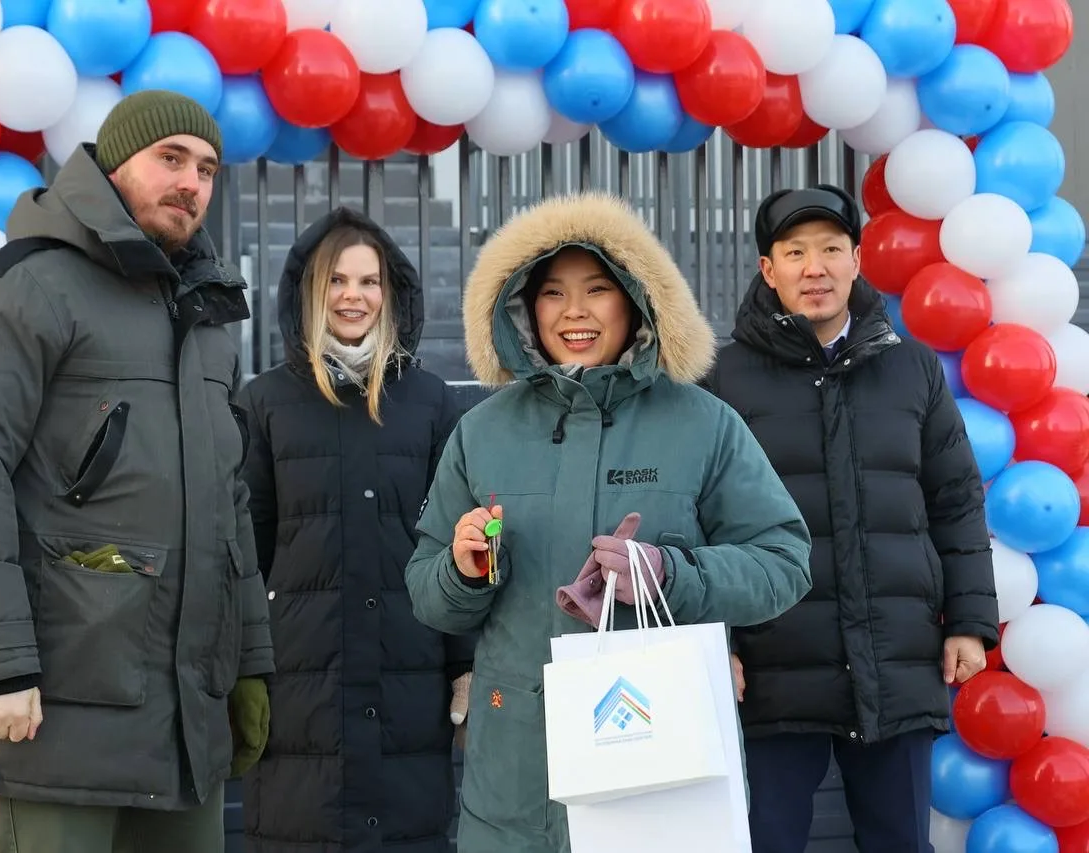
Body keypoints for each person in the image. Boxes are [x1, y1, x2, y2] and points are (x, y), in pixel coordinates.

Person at [0, 90, 274, 853]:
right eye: (170, 158)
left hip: (184, 723)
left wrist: (248, 661)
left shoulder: (207, 316)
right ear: (114, 164)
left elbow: (229, 504)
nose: (190, 183)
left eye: (206, 169)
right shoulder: (21, 285)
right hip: (58, 712)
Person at [403, 192, 814, 853]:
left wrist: (671, 573)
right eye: (553, 293)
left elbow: (784, 563)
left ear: (637, 300)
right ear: (524, 308)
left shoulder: (703, 423)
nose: (575, 311)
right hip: (516, 778)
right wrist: (461, 569)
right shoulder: (481, 431)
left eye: (597, 289)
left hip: (661, 765)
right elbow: (428, 595)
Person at [702, 184, 998, 853]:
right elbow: (697, 518)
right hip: (771, 669)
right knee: (764, 841)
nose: (816, 268)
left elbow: (954, 500)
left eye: (832, 249)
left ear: (857, 261)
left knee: (900, 841)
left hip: (895, 659)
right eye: (795, 252)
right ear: (768, 269)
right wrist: (719, 641)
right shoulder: (723, 378)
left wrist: (969, 621)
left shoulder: (912, 367)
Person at [235, 207, 471, 853]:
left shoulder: (430, 402)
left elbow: (458, 548)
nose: (353, 296)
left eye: (369, 281)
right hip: (299, 679)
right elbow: (246, 551)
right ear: (310, 291)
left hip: (408, 673)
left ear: (390, 293)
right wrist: (242, 665)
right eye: (336, 280)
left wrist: (465, 664)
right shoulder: (265, 403)